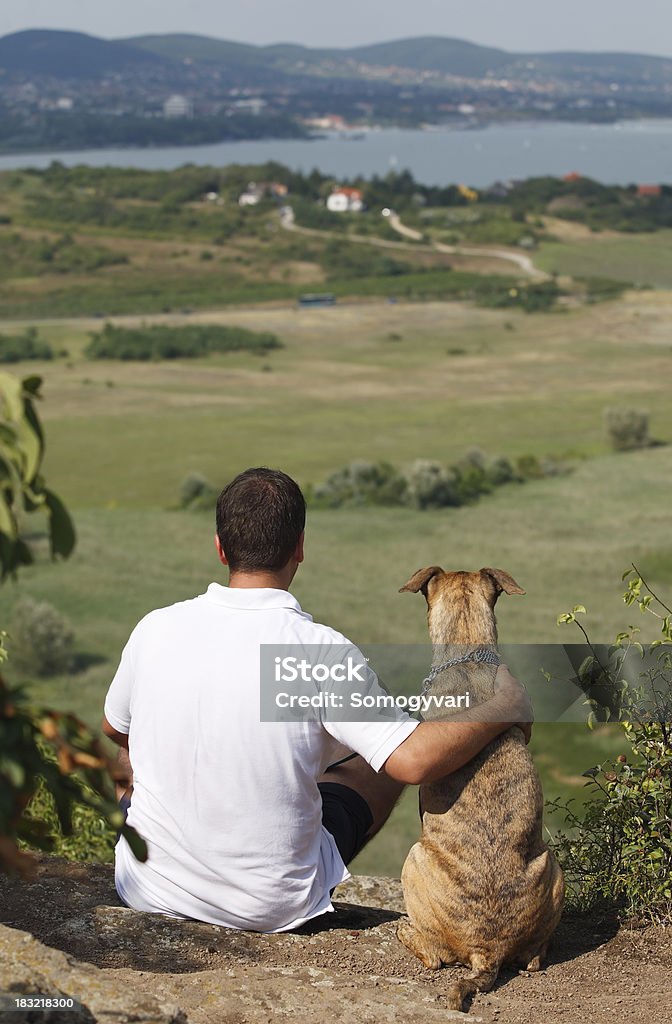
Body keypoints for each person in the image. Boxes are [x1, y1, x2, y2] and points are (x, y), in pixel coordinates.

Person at [102, 467, 533, 933]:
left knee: (134, 757)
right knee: (377, 757)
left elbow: (114, 729)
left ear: (221, 547)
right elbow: (412, 763)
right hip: (268, 906)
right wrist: (502, 704)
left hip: (144, 886)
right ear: (300, 548)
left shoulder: (155, 627)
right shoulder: (317, 650)